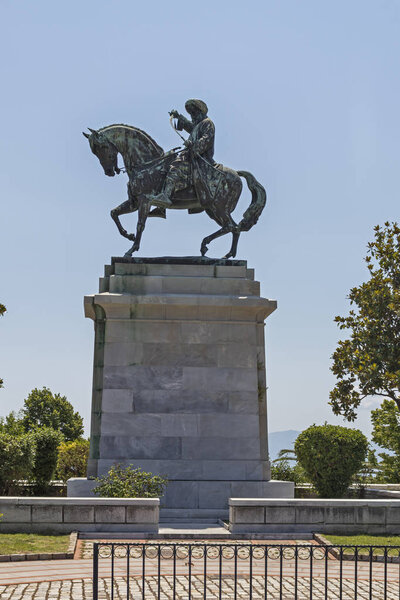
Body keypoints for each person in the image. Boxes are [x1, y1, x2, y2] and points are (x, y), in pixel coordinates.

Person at [151, 99, 215, 209]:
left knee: (175, 166)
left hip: (199, 157)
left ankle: (166, 197)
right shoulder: (198, 124)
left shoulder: (207, 123)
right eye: (190, 113)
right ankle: (161, 205)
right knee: (166, 161)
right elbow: (190, 127)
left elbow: (206, 140)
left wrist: (192, 144)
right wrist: (178, 117)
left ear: (199, 111)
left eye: (193, 113)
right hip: (190, 154)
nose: (192, 115)